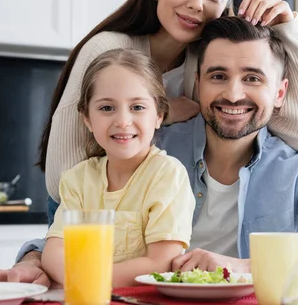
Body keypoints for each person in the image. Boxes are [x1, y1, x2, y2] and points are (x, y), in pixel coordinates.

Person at [0, 17, 298, 289]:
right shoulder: (148, 150)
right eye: (218, 76)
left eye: (252, 78)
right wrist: (33, 262)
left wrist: (244, 268)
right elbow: (83, 230)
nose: (234, 94)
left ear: (280, 93)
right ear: (197, 83)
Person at [40, 0, 298, 210]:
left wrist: (287, 28)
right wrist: (160, 114)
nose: (196, 3)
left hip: (154, 212)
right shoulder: (108, 50)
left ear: (225, 6)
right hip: (85, 212)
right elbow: (60, 180)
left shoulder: (212, 64)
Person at [41, 48, 195, 288]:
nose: (123, 121)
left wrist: (87, 280)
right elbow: (53, 253)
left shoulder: (167, 175)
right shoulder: (77, 180)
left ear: (159, 115)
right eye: (106, 108)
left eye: (137, 107)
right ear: (87, 119)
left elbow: (161, 263)